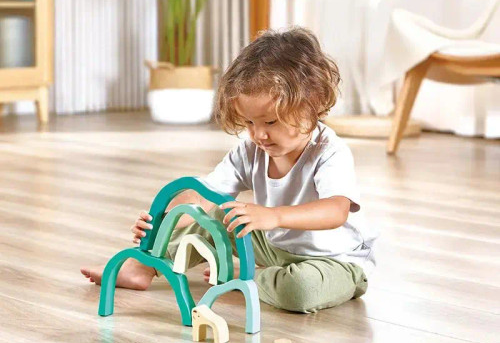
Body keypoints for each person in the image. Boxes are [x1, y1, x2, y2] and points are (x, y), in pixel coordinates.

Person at [81, 26, 378, 313]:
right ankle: (143, 266)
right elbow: (205, 196)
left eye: (270, 122)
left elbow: (335, 211)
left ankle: (244, 278)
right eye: (249, 123)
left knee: (298, 290)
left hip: (335, 260)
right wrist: (161, 220)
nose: (258, 134)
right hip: (275, 244)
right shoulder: (251, 150)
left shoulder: (329, 151)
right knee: (221, 215)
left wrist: (273, 216)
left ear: (310, 104)